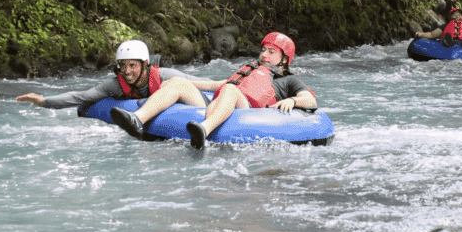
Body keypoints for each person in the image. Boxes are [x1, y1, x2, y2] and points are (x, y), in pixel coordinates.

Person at [111, 32, 317, 149]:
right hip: (222, 101)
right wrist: (177, 83)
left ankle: (204, 129)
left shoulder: (289, 79)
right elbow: (213, 85)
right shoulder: (250, 69)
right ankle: (136, 119)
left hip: (248, 111)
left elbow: (310, 100)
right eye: (263, 50)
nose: (264, 55)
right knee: (178, 82)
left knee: (230, 89)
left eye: (271, 52)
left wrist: (292, 101)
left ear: (283, 59)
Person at [15, 39, 206, 136]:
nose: (127, 71)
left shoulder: (166, 75)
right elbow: (81, 97)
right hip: (172, 114)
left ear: (145, 65)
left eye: (132, 66)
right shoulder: (115, 85)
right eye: (123, 66)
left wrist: (232, 83)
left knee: (177, 85)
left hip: (199, 105)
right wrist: (43, 102)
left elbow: (206, 84)